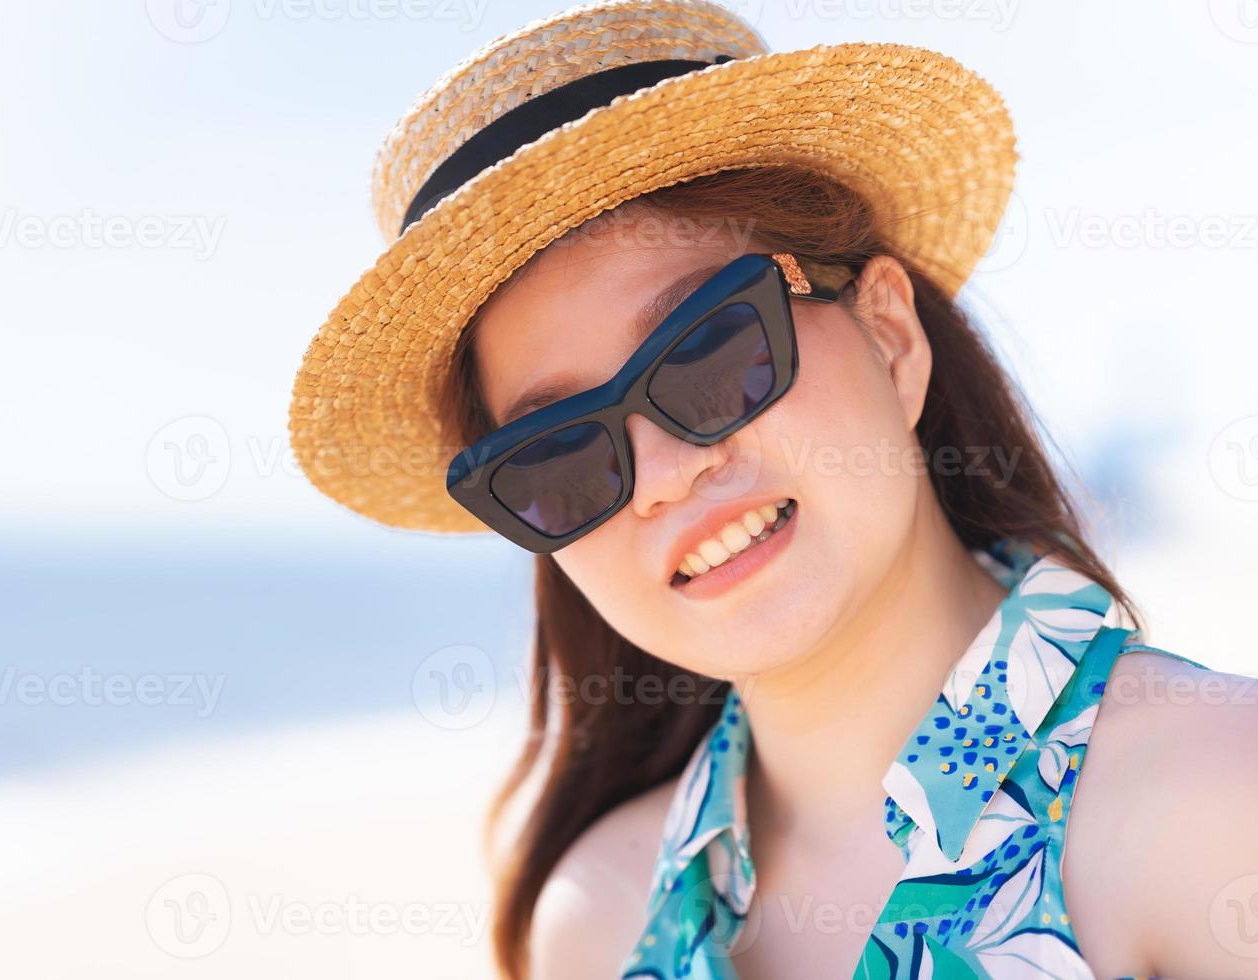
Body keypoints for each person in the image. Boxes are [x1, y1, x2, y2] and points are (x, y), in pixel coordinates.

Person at [286, 2, 1258, 977]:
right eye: (558, 454)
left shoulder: (1211, 800)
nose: (666, 474)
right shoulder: (597, 918)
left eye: (710, 349)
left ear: (890, 337)